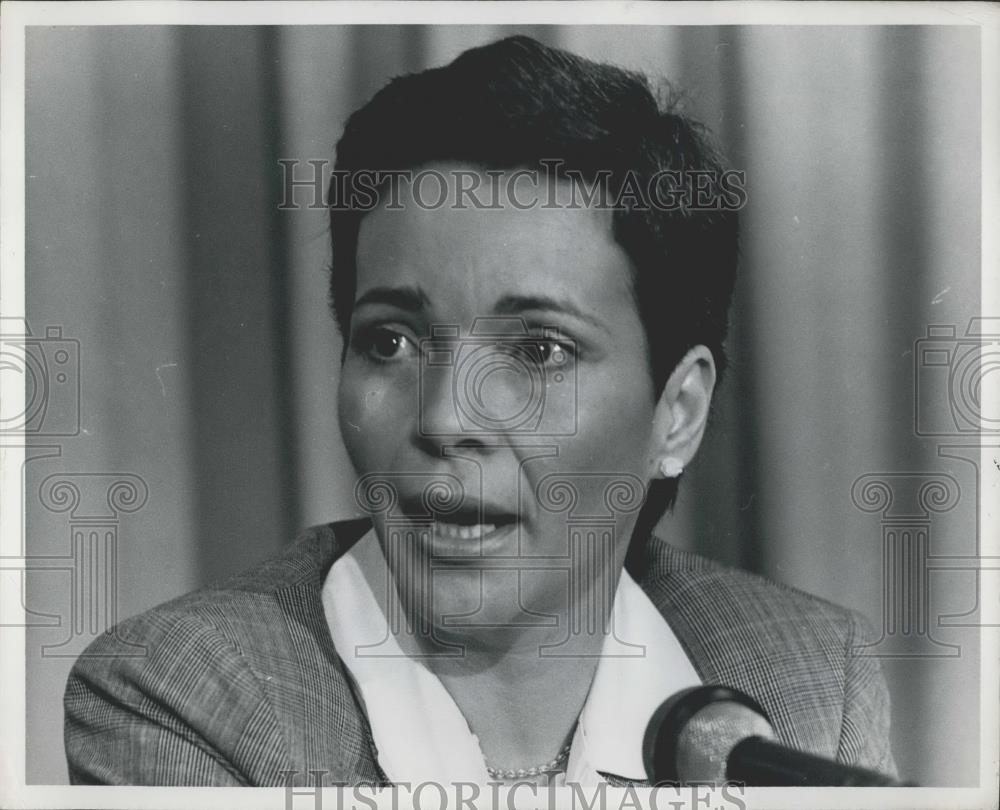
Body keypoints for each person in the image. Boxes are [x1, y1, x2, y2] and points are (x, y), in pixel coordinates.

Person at [63, 35, 896, 786]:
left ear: (676, 413)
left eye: (538, 351)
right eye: (389, 341)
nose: (443, 419)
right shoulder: (186, 695)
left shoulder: (813, 680)